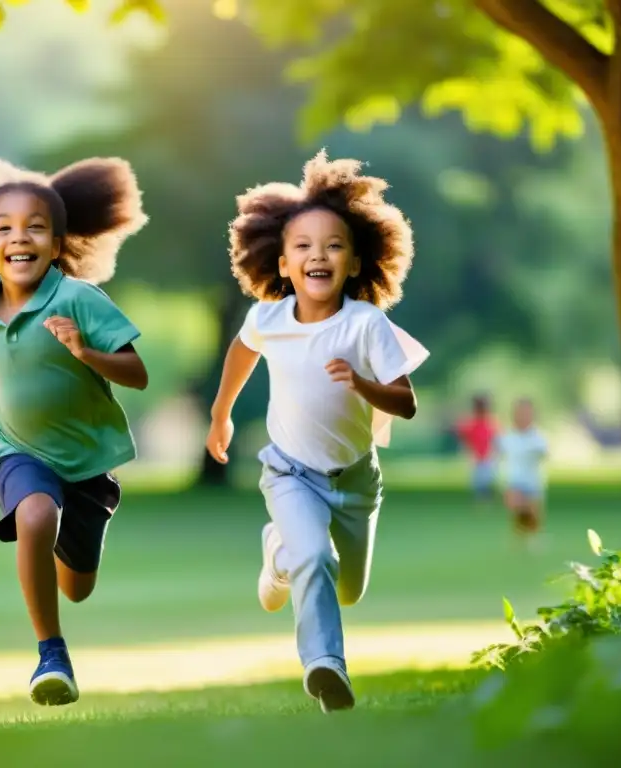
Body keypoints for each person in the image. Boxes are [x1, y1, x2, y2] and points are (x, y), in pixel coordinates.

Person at [205, 151, 428, 712]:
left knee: (346, 588)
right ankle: (326, 666)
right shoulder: (268, 318)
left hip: (355, 480)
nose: (317, 255)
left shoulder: (366, 324)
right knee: (316, 560)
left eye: (333, 245)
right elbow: (240, 351)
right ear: (282, 265)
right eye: (303, 246)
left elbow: (405, 402)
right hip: (289, 472)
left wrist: (361, 383)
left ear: (355, 263)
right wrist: (221, 414)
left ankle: (278, 555)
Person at [0, 156, 148, 706]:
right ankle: (52, 654)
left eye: (35, 227)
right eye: (4, 228)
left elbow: (137, 374)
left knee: (78, 585)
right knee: (36, 513)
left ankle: (56, 546)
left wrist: (86, 352)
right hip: (12, 446)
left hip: (89, 459)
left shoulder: (78, 299)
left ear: (56, 243)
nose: (19, 238)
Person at [497, 398, 548, 544]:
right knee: (516, 505)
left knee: (532, 513)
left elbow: (543, 453)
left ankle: (531, 537)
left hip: (532, 480)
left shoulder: (537, 436)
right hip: (514, 479)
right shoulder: (508, 436)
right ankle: (521, 533)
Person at [454, 394, 498, 503]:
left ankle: (486, 499)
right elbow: (464, 438)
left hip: (488, 456)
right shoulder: (472, 423)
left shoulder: (490, 422)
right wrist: (469, 452)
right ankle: (481, 500)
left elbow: (495, 439)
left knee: (486, 479)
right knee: (478, 481)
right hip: (476, 456)